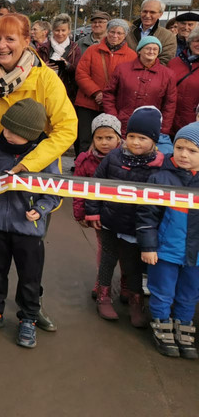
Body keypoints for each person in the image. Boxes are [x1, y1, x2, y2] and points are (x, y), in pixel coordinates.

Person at [0, 13, 77, 331]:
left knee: (30, 247)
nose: (2, 45)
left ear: (26, 41)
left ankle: (32, 306)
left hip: (32, 180)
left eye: (10, 38)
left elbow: (67, 128)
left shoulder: (45, 79)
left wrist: (30, 165)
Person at [0, 99, 60, 348]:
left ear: (31, 135)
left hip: (28, 231)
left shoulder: (44, 155)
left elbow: (54, 191)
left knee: (30, 277)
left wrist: (40, 210)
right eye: (6, 128)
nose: (6, 135)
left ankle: (29, 318)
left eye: (15, 133)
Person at [85, 106, 164, 327]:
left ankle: (135, 301)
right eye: (131, 136)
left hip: (136, 226)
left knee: (133, 265)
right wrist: (92, 211)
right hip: (110, 220)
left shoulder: (159, 166)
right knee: (108, 260)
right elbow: (95, 186)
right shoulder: (113, 158)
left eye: (142, 137)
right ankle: (103, 295)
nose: (135, 142)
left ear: (154, 140)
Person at [138, 122, 199, 359]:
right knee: (162, 291)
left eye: (192, 150)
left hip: (195, 256)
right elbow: (146, 215)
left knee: (189, 294)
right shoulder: (160, 178)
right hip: (164, 251)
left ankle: (184, 324)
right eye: (180, 147)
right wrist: (149, 246)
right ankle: (161, 322)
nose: (183, 154)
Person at [72, 114, 123, 299]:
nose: (104, 142)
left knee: (126, 249)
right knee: (105, 247)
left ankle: (126, 283)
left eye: (109, 138)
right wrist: (80, 214)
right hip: (99, 214)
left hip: (125, 213)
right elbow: (79, 189)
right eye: (99, 138)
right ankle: (102, 282)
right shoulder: (85, 160)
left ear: (118, 137)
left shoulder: (128, 158)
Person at [74, 19, 137, 157]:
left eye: (119, 33)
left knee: (110, 139)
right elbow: (81, 73)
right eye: (112, 32)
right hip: (88, 103)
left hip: (114, 105)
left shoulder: (132, 56)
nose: (115, 35)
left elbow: (131, 81)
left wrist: (109, 97)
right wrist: (96, 93)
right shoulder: (92, 50)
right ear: (107, 32)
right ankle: (82, 165)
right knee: (85, 138)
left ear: (125, 35)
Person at [102, 36, 176, 142]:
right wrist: (114, 117)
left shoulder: (168, 74)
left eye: (155, 49)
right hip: (122, 123)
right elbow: (109, 93)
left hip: (151, 125)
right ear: (140, 50)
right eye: (147, 48)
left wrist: (163, 130)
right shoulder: (122, 69)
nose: (151, 51)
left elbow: (170, 104)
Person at [126, 0, 177, 65]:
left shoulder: (168, 36)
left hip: (152, 74)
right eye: (145, 11)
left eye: (152, 12)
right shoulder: (126, 32)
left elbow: (165, 60)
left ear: (160, 14)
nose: (147, 15)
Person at [168, 27, 199, 136]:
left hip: (193, 124)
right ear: (190, 41)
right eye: (197, 40)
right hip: (170, 120)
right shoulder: (174, 63)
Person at [46, 14, 81, 100]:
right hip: (45, 89)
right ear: (52, 31)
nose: (60, 33)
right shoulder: (44, 47)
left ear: (69, 31)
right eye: (57, 30)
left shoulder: (75, 48)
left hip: (67, 92)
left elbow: (78, 71)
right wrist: (44, 66)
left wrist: (67, 65)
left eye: (63, 30)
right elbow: (34, 68)